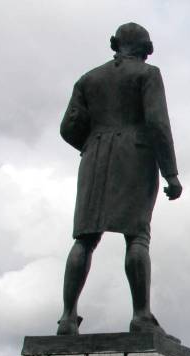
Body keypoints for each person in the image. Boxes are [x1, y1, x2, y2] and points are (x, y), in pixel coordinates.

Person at [57, 22, 182, 336]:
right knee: (137, 236)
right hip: (135, 157)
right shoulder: (147, 75)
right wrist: (171, 173)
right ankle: (141, 316)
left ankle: (67, 317)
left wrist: (94, 143)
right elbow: (157, 124)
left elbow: (68, 128)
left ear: (115, 44)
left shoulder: (88, 79)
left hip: (95, 155)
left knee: (84, 239)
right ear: (144, 49)